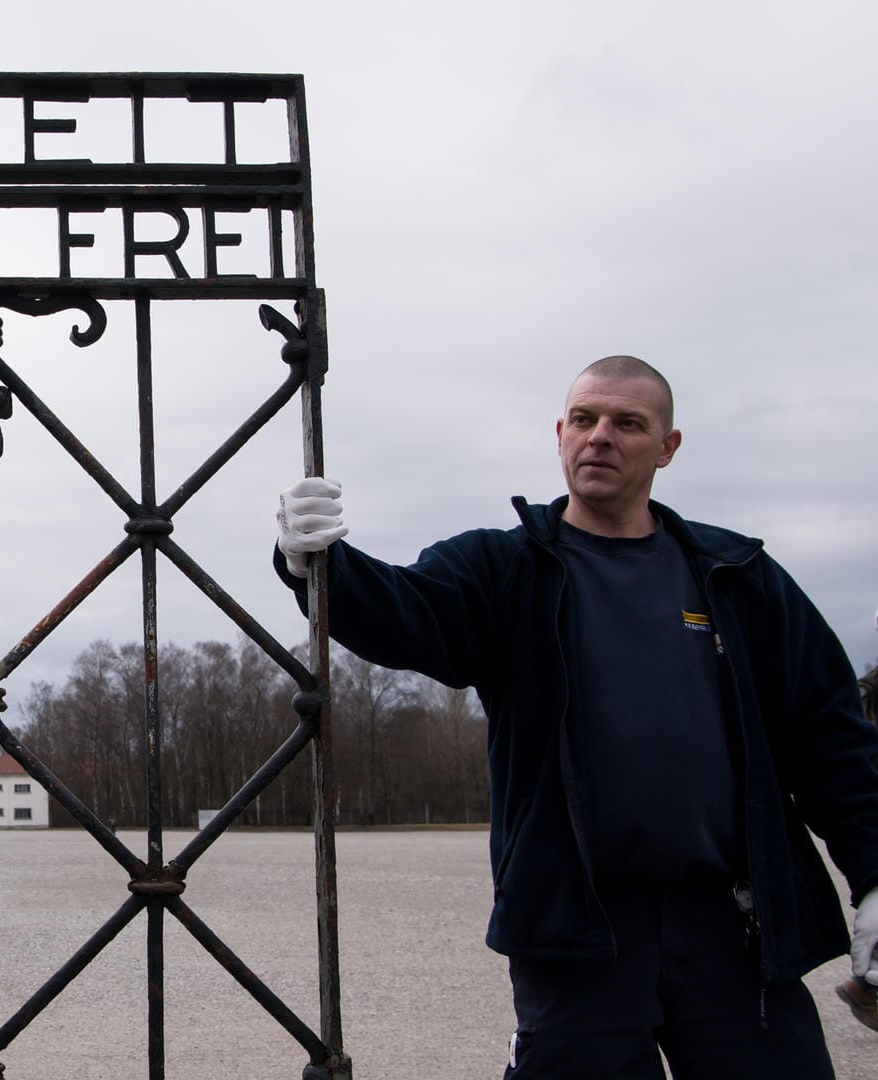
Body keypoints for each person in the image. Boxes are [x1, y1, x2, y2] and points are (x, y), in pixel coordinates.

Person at [274, 355, 878, 1078]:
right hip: (577, 927)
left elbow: (833, 741)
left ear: (667, 447)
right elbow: (407, 612)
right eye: (585, 420)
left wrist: (874, 877)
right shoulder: (506, 569)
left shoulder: (738, 577)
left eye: (628, 424)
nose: (600, 437)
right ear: (560, 433)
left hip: (734, 927)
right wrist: (314, 561)